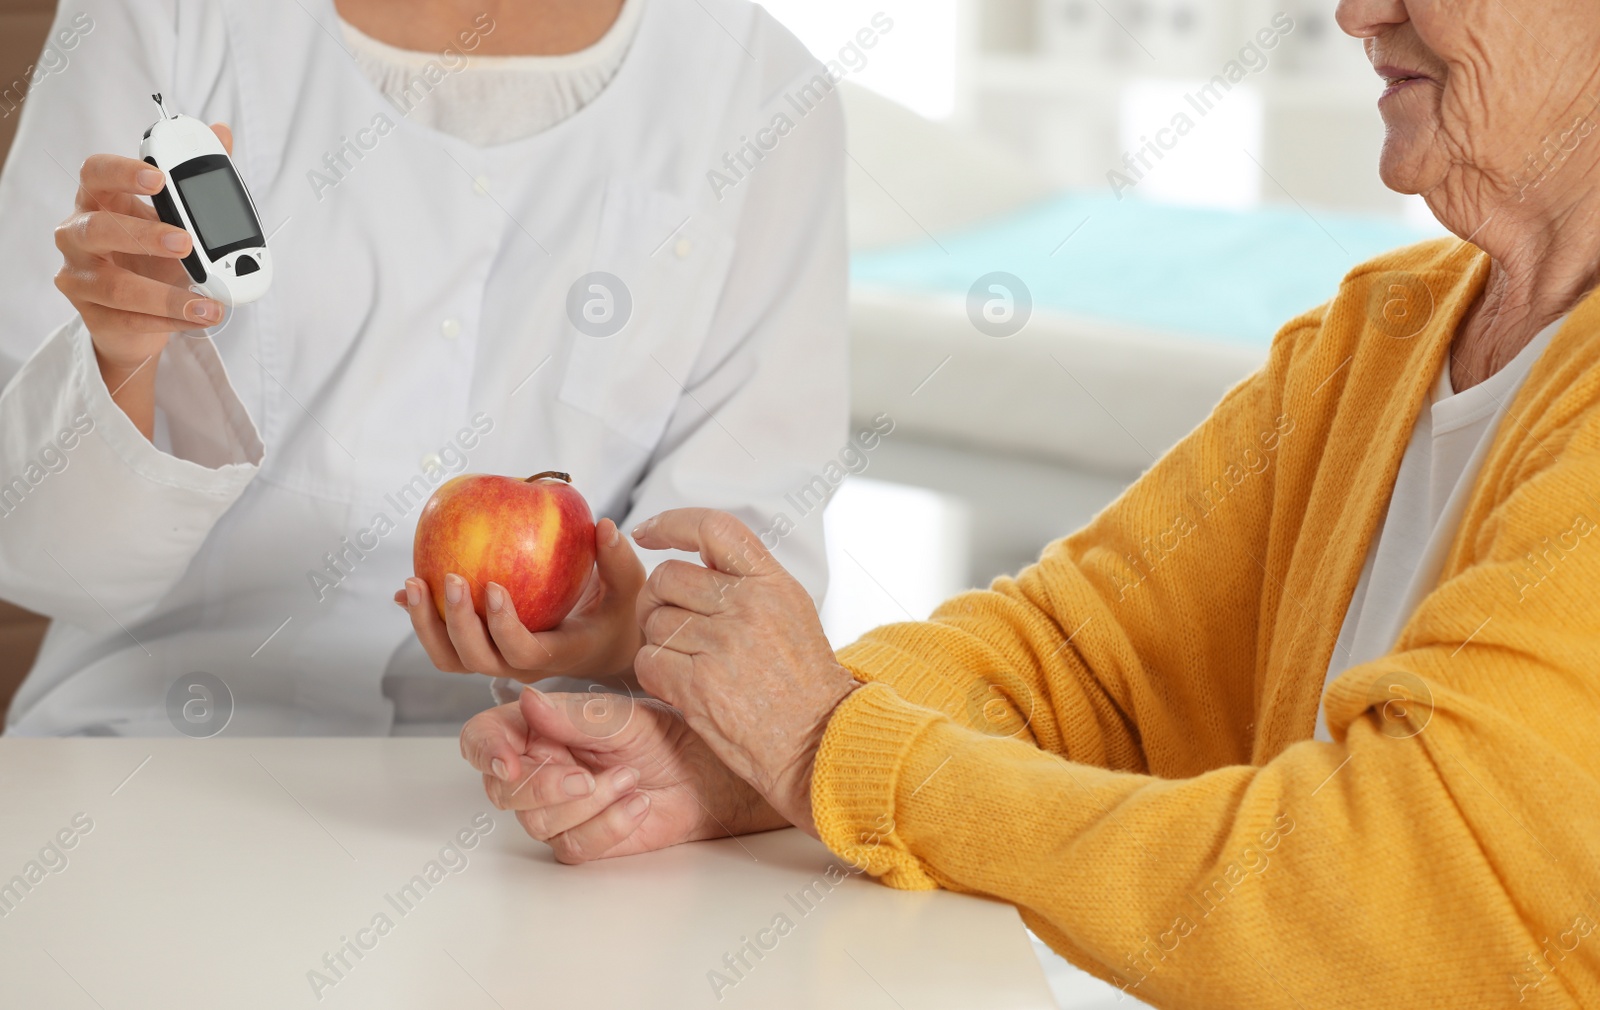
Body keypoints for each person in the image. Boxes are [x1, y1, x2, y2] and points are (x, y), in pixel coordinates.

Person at [460, 0, 1600, 1004]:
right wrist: (732, 762)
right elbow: (1077, 659)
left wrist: (828, 748)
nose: (1358, 12)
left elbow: (1376, 884)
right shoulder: (1380, 334)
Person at [0, 0, 847, 736]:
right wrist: (116, 360)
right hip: (151, 751)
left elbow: (755, 567)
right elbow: (39, 559)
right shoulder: (164, 17)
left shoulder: (766, 91)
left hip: (551, 783)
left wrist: (628, 638)